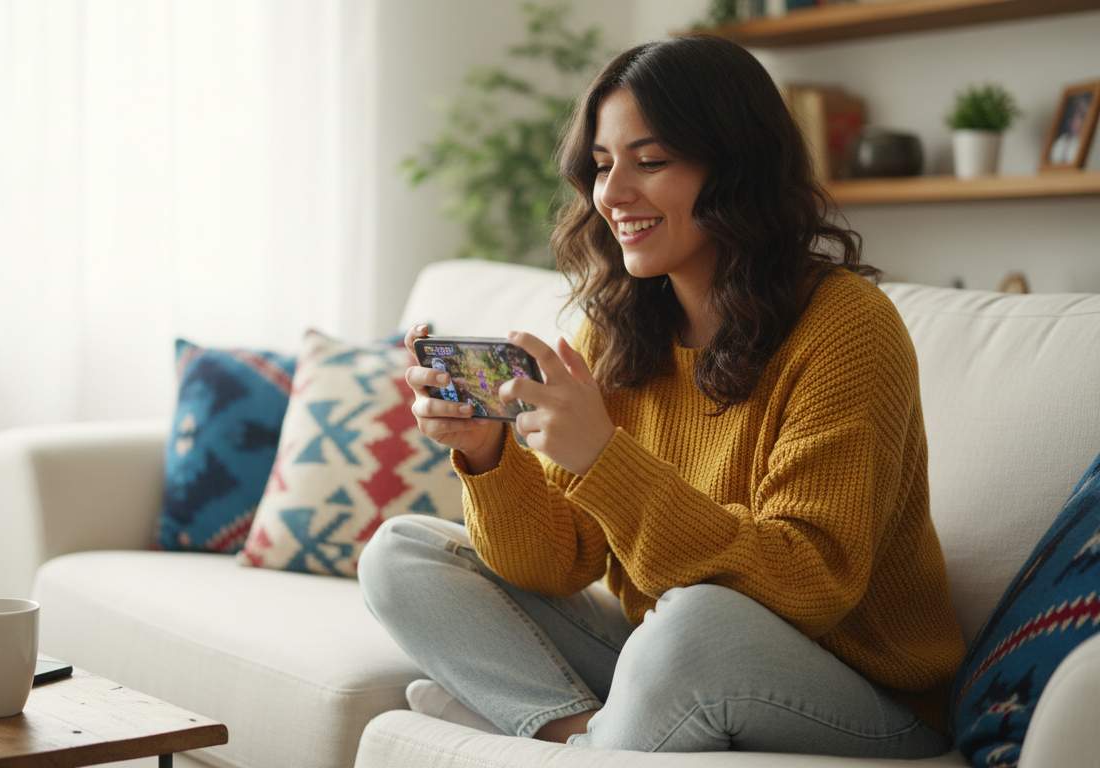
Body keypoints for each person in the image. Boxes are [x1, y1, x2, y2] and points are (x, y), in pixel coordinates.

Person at [358, 35, 964, 758]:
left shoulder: (846, 328)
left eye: (650, 162)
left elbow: (810, 585)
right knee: (402, 553)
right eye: (602, 164)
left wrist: (604, 459)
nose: (612, 194)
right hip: (670, 653)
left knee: (696, 623)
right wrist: (489, 456)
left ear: (736, 169)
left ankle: (542, 734)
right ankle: (575, 738)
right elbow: (560, 564)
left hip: (863, 696)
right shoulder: (616, 329)